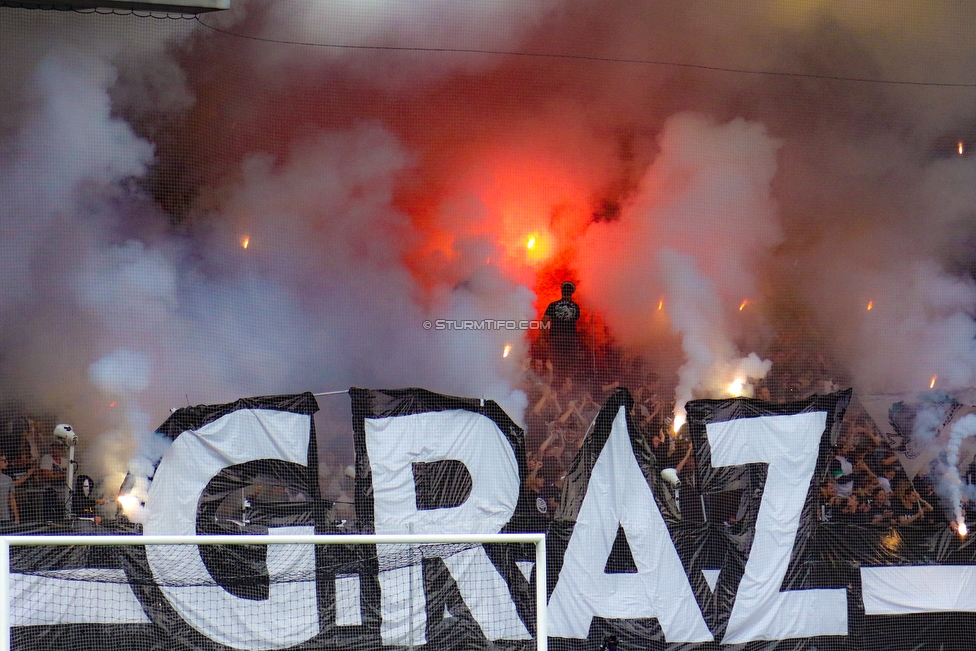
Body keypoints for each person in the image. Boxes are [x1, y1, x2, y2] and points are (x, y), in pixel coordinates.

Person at [543, 281, 581, 381]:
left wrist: (544, 337)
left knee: (554, 364)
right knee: (570, 365)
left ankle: (554, 385)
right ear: (572, 293)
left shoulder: (553, 305)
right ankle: (568, 386)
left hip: (555, 338)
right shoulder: (576, 307)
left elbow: (544, 322)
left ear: (562, 292)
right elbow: (577, 321)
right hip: (570, 340)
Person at [0, 455, 19, 526]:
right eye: (4, 461)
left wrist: (16, 518)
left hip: (5, 517)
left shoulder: (8, 479)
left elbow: (12, 499)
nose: (7, 463)